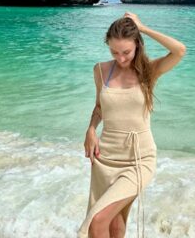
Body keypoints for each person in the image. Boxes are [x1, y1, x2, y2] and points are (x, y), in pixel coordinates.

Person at [78, 12, 187, 238]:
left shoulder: (149, 72)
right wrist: (90, 129)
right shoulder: (100, 71)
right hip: (105, 158)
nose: (120, 58)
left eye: (126, 52)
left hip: (139, 159)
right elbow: (99, 107)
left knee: (97, 222)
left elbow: (179, 50)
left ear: (137, 44)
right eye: (114, 52)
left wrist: (143, 27)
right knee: (116, 225)